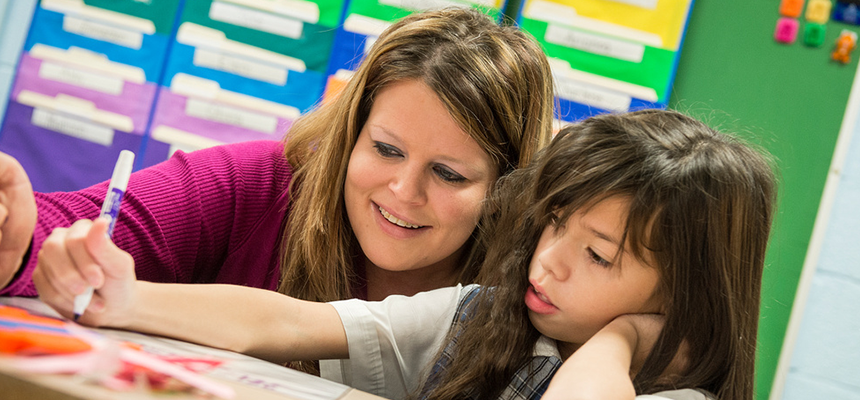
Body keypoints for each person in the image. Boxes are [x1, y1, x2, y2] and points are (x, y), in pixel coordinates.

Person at [35, 109, 777, 400]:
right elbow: (292, 323)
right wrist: (132, 302)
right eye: (552, 225)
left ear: (682, 290)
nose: (546, 262)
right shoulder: (484, 319)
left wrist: (620, 339)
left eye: (598, 255)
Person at [0, 8, 555, 302]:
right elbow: (74, 226)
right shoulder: (256, 185)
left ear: (508, 186)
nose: (404, 192)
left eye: (449, 174)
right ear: (350, 133)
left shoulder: (541, 278)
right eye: (385, 149)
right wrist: (19, 239)